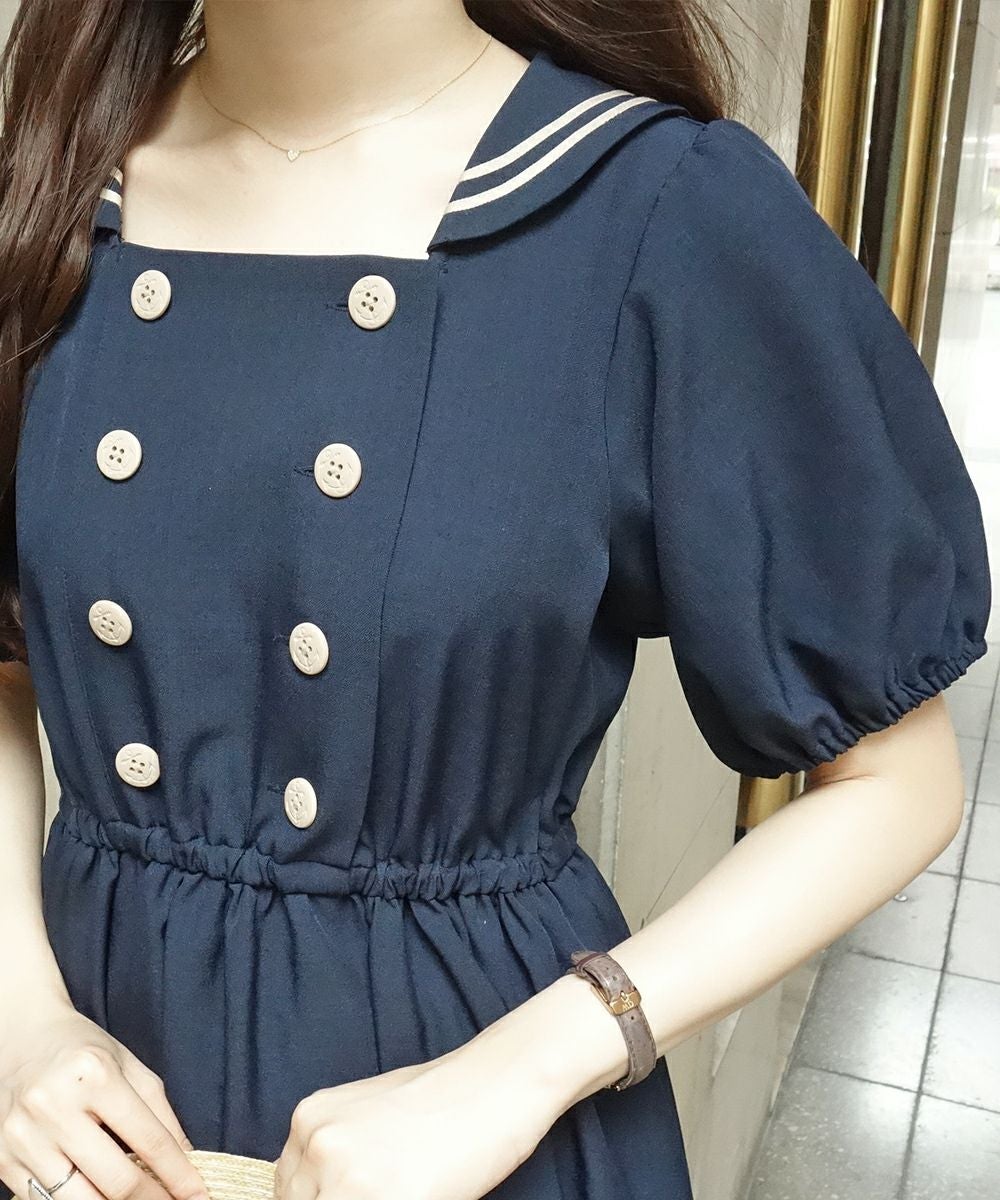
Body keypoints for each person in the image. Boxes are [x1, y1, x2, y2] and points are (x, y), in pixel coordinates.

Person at [0, 2, 991, 1200]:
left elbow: (897, 781)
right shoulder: (50, 179)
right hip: (77, 1094)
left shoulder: (655, 207)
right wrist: (20, 1018)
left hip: (474, 1100)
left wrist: (518, 1073)